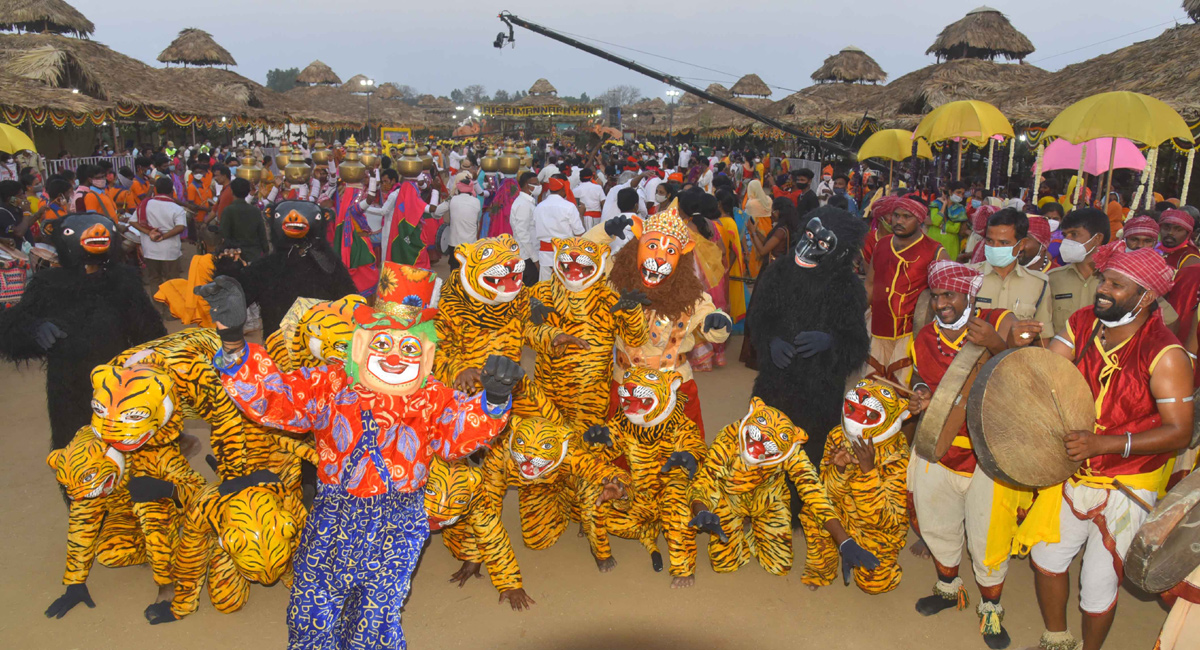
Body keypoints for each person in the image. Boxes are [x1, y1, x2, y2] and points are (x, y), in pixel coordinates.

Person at [1020, 246, 1193, 650]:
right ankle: (1056, 640)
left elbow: (1180, 432)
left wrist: (1106, 443)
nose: (1103, 290)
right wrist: (1020, 346)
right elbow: (1048, 372)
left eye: (1116, 285)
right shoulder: (1082, 323)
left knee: (1098, 582)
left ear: (1146, 295)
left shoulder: (1165, 353)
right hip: (1069, 469)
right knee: (1046, 561)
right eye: (1103, 280)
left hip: (1126, 484)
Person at [907, 260, 1039, 650]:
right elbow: (920, 376)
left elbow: (1032, 377)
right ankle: (948, 588)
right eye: (935, 296)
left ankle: (991, 609)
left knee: (988, 537)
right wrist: (919, 393)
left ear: (970, 293)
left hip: (990, 456)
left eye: (949, 294)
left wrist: (997, 345)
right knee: (937, 524)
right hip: (940, 447)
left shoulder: (1001, 324)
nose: (941, 303)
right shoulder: (924, 337)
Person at [864, 196, 946, 383]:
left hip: (910, 336)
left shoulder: (935, 251)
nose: (899, 221)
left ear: (919, 219)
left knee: (901, 391)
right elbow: (869, 284)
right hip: (877, 330)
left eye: (906, 216)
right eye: (896, 215)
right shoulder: (881, 245)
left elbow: (945, 297)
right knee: (871, 387)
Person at [973, 208, 1053, 338]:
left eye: (1004, 242)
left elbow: (1043, 339)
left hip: (1016, 357)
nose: (995, 247)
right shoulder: (967, 276)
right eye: (989, 241)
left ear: (1021, 244)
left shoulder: (1038, 284)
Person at [1048, 208, 1112, 335]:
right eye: (1065, 235)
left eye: (1074, 234)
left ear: (1097, 238)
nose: (1067, 240)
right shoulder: (1052, 279)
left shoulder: (1117, 281)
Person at [134, 177, 187, 295]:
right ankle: (172, 310)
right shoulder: (176, 208)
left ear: (156, 190)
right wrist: (163, 236)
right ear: (171, 192)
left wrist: (149, 232)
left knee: (155, 279)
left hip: (150, 250)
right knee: (172, 281)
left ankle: (158, 309)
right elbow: (180, 227)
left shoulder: (145, 205)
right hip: (170, 251)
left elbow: (133, 221)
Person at [533, 177, 584, 282]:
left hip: (545, 254)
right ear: (562, 189)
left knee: (546, 286)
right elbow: (579, 233)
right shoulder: (569, 207)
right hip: (566, 253)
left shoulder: (539, 207)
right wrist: (581, 215)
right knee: (565, 285)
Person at [217, 178, 269, 264]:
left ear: (232, 191)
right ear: (248, 192)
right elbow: (262, 235)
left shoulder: (228, 211)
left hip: (235, 257)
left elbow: (224, 235)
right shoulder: (255, 211)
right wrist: (266, 253)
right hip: (254, 256)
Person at [509, 172, 539, 286]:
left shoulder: (527, 202)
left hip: (528, 253)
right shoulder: (523, 205)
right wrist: (535, 259)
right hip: (527, 255)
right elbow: (522, 233)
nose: (538, 186)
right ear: (527, 185)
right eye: (535, 184)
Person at [446, 175, 483, 269]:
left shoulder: (452, 200)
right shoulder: (476, 202)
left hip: (454, 244)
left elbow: (437, 212)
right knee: (469, 270)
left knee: (454, 270)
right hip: (470, 244)